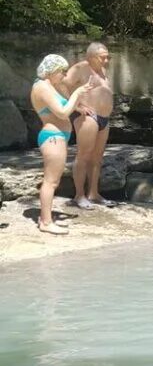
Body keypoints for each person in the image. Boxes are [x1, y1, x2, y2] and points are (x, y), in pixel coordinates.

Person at [29, 55, 96, 234]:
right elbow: (61, 113)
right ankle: (45, 222)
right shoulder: (42, 87)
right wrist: (77, 93)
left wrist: (79, 106)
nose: (64, 75)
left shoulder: (49, 86)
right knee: (51, 181)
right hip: (52, 137)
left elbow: (63, 106)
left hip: (58, 137)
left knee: (53, 181)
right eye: (62, 71)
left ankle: (46, 218)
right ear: (51, 71)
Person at [64, 42, 116, 208]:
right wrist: (76, 106)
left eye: (108, 57)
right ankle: (79, 195)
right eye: (103, 57)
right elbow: (61, 85)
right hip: (88, 117)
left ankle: (93, 193)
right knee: (83, 156)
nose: (106, 60)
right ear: (91, 57)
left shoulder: (103, 71)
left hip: (104, 118)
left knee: (97, 158)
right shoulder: (81, 68)